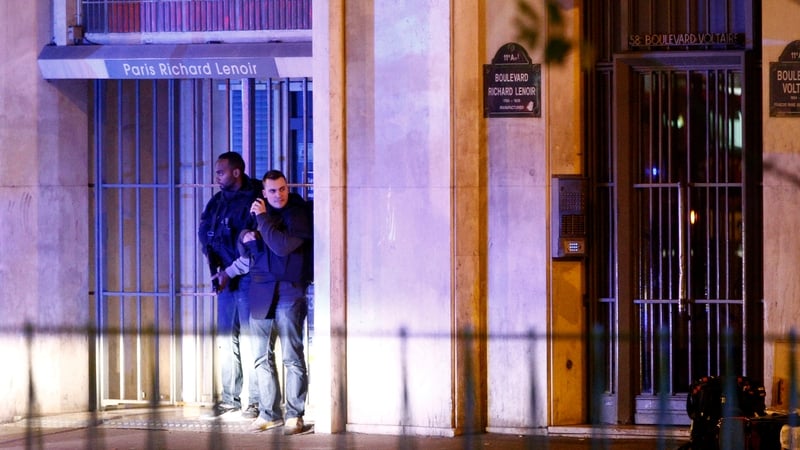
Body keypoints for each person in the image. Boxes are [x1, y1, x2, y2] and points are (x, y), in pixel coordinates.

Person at [218, 169, 311, 435]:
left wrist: (262, 221)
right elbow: (245, 246)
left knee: (292, 356)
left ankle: (295, 414)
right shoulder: (256, 215)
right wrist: (246, 237)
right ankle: (270, 413)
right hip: (260, 291)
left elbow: (281, 246)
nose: (278, 194)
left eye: (282, 189)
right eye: (272, 191)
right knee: (260, 356)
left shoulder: (298, 213)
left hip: (289, 291)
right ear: (264, 193)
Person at [197, 151, 261, 418]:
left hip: (248, 277)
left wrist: (230, 271)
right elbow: (205, 231)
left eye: (221, 172)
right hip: (225, 276)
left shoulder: (255, 198)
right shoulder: (218, 201)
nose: (217, 177)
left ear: (236, 172)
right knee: (226, 340)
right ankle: (229, 399)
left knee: (252, 341)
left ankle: (256, 401)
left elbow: (255, 244)